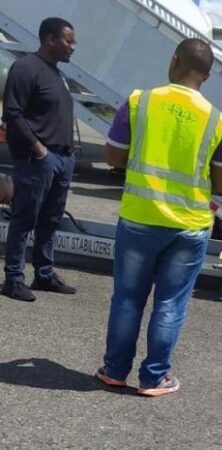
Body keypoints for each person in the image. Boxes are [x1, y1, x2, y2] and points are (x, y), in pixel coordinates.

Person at [96, 38, 222, 397]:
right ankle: (154, 378)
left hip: (140, 217)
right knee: (171, 303)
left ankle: (114, 371)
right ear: (207, 76)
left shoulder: (139, 102)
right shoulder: (218, 121)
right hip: (188, 225)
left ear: (174, 61)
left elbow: (113, 157)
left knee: (128, 299)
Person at [1, 17, 77, 302]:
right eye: (69, 41)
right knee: (25, 219)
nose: (73, 47)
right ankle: (14, 280)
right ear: (50, 39)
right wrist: (38, 148)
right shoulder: (25, 69)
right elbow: (13, 114)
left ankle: (43, 275)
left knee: (50, 219)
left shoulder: (58, 74)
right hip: (38, 159)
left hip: (63, 158)